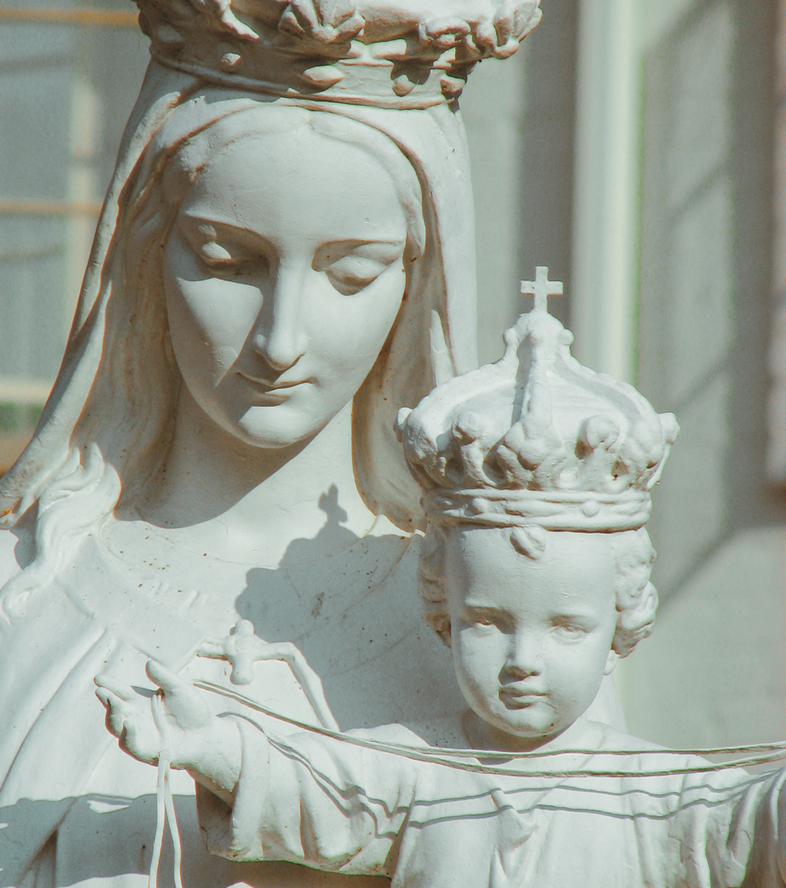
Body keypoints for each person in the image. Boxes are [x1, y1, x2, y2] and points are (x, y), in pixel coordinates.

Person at [0, 0, 553, 887]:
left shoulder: (513, 632)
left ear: (417, 285)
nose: (280, 338)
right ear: (145, 252)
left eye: (349, 274)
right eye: (227, 262)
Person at [99, 280, 786, 887]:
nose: (522, 662)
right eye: (487, 621)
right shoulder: (416, 765)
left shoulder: (655, 794)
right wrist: (208, 745)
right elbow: (320, 799)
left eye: (566, 626)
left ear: (619, 631)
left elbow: (749, 827)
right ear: (443, 616)